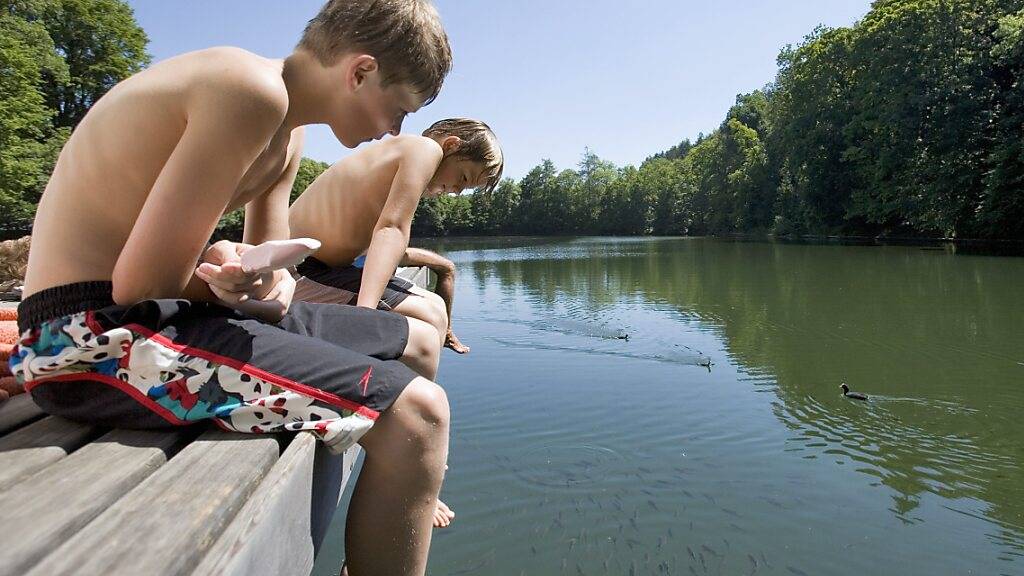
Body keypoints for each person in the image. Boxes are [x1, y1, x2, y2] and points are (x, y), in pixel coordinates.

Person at [8, 2, 453, 574]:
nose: (394, 130)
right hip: (84, 340)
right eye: (399, 109)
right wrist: (229, 285)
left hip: (156, 317)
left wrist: (260, 281)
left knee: (419, 339)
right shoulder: (249, 91)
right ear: (361, 72)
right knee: (420, 413)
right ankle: (401, 466)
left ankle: (399, 487)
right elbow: (141, 285)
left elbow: (273, 278)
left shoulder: (287, 133)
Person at [289, 118, 501, 357]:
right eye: (463, 178)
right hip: (298, 271)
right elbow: (392, 230)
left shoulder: (400, 154)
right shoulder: (426, 149)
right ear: (451, 145)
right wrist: (364, 314)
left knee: (436, 308)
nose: (457, 191)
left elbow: (381, 244)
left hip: (320, 268)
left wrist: (444, 266)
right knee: (430, 319)